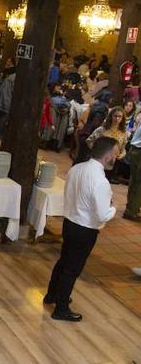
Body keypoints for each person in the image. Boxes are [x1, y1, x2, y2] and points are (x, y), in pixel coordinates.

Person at [44, 137, 119, 321]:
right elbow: (102, 215)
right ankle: (61, 309)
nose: (116, 158)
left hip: (69, 223)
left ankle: (52, 295)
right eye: (116, 154)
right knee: (72, 269)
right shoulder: (101, 181)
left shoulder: (76, 168)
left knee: (63, 262)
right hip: (85, 230)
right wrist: (113, 208)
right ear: (108, 156)